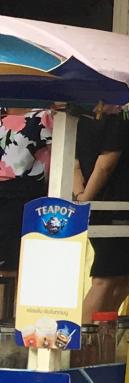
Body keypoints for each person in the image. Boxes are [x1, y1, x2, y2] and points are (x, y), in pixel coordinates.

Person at [74, 105, 129, 318]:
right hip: (116, 202)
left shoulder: (80, 116)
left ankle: (100, 332)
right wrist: (86, 198)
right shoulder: (121, 117)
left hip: (105, 202)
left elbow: (75, 164)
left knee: (125, 278)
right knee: (106, 278)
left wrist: (81, 195)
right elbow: (105, 164)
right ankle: (82, 335)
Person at [0, 107, 51, 287]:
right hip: (10, 194)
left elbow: (59, 156)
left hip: (23, 196)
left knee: (15, 262)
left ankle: (14, 303)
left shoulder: (43, 116)